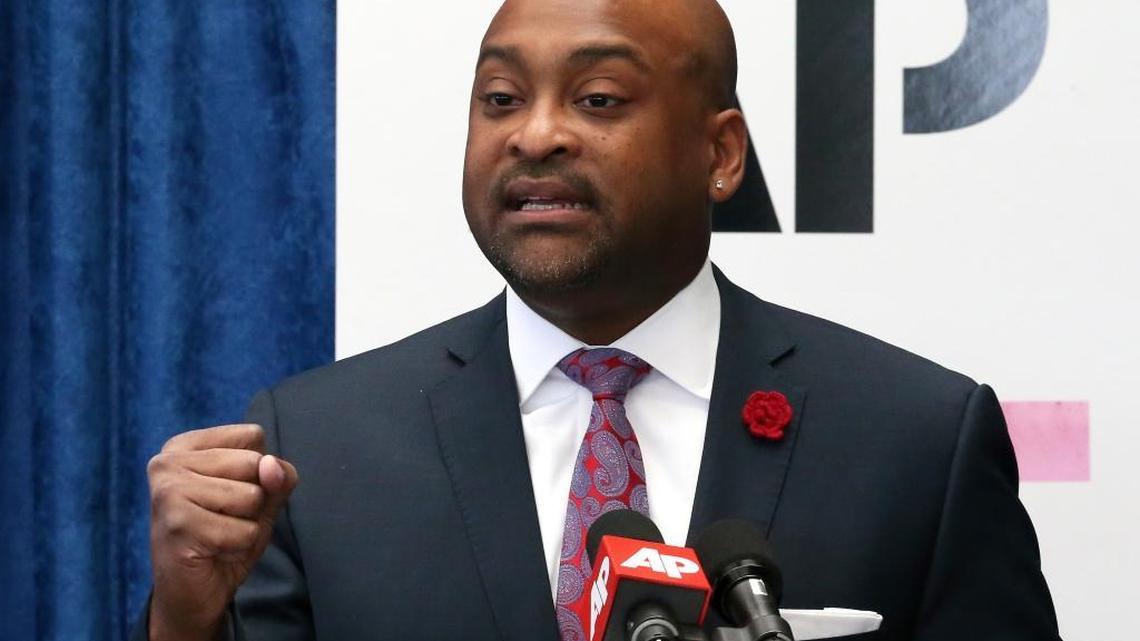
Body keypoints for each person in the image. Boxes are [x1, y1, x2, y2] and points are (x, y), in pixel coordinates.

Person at [137, 0, 1061, 639]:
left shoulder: (916, 441)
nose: (534, 135)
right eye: (500, 99)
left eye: (598, 99)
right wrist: (184, 621)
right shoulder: (313, 448)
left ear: (721, 152)